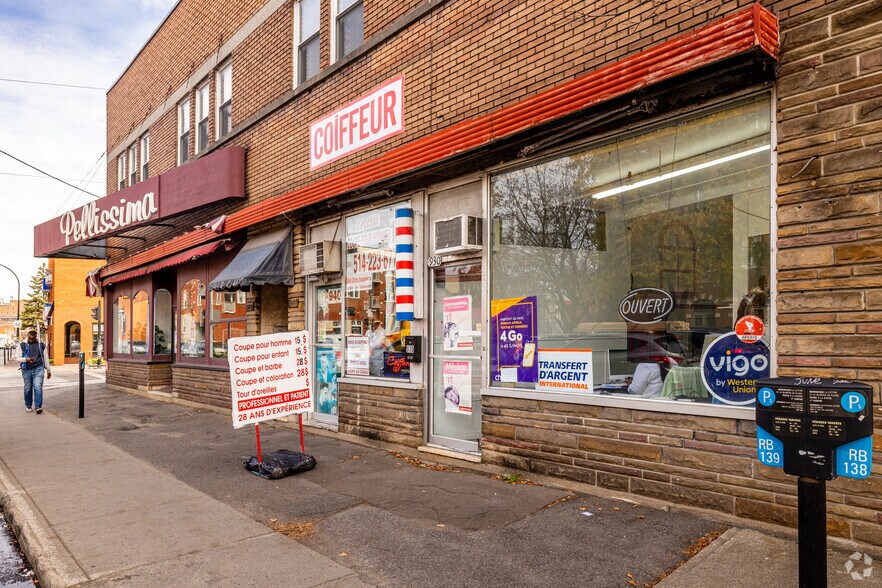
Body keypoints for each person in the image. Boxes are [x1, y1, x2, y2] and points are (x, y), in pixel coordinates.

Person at [20, 329, 51, 414]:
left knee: (38, 387)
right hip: (26, 369)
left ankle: (38, 407)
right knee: (27, 388)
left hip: (38, 368)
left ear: (35, 337)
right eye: (29, 338)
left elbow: (45, 358)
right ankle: (28, 406)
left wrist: (48, 370)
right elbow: (17, 357)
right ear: (27, 336)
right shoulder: (22, 345)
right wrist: (26, 359)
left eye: (32, 339)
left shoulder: (41, 345)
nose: (30, 340)